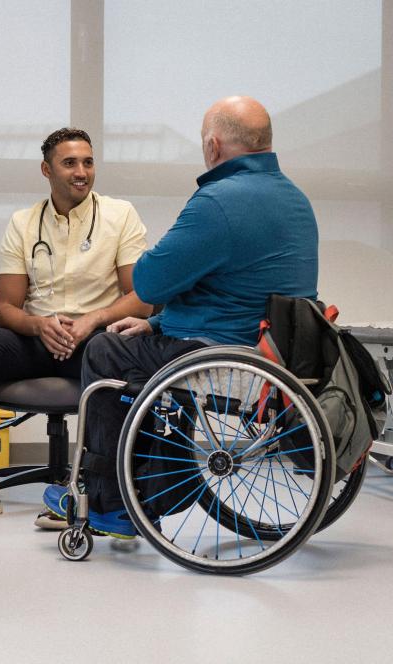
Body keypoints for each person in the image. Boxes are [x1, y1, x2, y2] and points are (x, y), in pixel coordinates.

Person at [40, 96, 319, 538]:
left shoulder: (220, 201)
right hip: (271, 352)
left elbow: (149, 283)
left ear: (213, 145)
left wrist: (153, 303)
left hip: (218, 353)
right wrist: (152, 324)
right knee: (137, 342)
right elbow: (232, 288)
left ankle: (112, 502)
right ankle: (151, 485)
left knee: (105, 351)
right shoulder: (295, 200)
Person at [0, 127, 152, 524]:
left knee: (108, 355)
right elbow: (5, 306)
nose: (81, 172)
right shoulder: (24, 223)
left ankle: (85, 487)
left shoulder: (119, 215)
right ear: (47, 170)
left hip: (92, 339)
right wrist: (39, 325)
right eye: (69, 163)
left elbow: (141, 299)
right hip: (36, 338)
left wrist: (89, 322)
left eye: (88, 162)